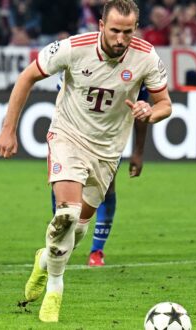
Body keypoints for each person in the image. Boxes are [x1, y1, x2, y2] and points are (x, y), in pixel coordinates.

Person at [0, 0, 172, 322]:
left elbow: (165, 104)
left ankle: (44, 261)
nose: (121, 39)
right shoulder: (73, 48)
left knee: (76, 229)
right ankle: (55, 288)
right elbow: (26, 78)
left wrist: (152, 112)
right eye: (115, 30)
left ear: (136, 29)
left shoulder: (146, 56)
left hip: (107, 151)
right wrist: (8, 130)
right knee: (67, 213)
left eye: (128, 32)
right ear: (102, 26)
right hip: (68, 136)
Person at [50, 85, 149, 267]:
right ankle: (61, 240)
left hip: (108, 142)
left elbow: (142, 108)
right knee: (63, 183)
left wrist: (138, 151)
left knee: (107, 187)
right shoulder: (74, 60)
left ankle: (97, 250)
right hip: (72, 138)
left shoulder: (137, 65)